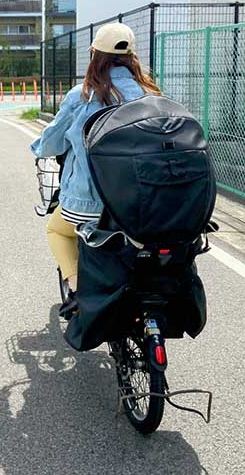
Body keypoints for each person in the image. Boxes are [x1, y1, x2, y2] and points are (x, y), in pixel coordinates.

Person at [30, 23, 162, 292]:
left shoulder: (82, 96)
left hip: (88, 205)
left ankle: (78, 289)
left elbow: (52, 143)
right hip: (146, 204)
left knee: (57, 232)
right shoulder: (151, 96)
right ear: (131, 58)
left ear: (96, 57)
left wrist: (38, 148)